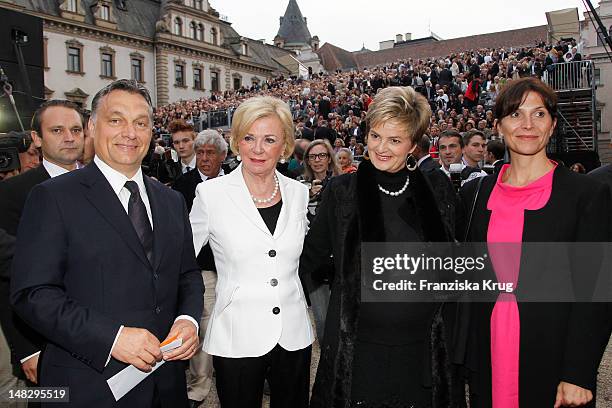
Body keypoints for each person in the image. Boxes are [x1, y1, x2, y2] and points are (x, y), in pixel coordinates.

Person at [10, 79, 204, 407]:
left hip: (167, 386)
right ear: (92, 127)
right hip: (88, 387)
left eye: (141, 123)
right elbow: (32, 294)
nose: (130, 132)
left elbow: (187, 275)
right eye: (117, 120)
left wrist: (188, 319)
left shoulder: (171, 200)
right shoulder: (53, 197)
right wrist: (111, 338)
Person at [300, 86, 463, 407]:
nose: (381, 148)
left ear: (414, 145)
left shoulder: (437, 189)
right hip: (358, 351)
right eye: (375, 136)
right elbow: (311, 260)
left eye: (395, 140)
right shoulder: (341, 191)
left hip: (422, 351)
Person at [461, 77, 612, 408]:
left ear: (553, 124)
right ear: (498, 125)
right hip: (487, 350)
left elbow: (596, 292)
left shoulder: (586, 194)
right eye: (515, 115)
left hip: (553, 353)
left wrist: (578, 372)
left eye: (539, 114)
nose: (527, 125)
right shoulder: (475, 193)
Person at [190, 96, 313, 408]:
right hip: (237, 335)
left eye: (269, 139)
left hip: (293, 333)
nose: (257, 149)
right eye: (249, 138)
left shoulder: (298, 194)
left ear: (284, 144)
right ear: (236, 141)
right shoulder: (211, 195)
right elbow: (180, 261)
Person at [0, 100, 85, 389]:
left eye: (76, 129)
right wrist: (26, 349)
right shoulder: (13, 193)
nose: (69, 137)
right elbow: (9, 282)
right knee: (53, 400)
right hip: (43, 340)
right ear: (37, 138)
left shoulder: (103, 184)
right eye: (57, 130)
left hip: (100, 334)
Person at [173, 129, 227, 407]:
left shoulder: (235, 183)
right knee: (203, 327)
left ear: (222, 155)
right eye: (201, 153)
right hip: (203, 270)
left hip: (232, 269)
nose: (204, 158)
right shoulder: (183, 185)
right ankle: (198, 386)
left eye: (210, 153)